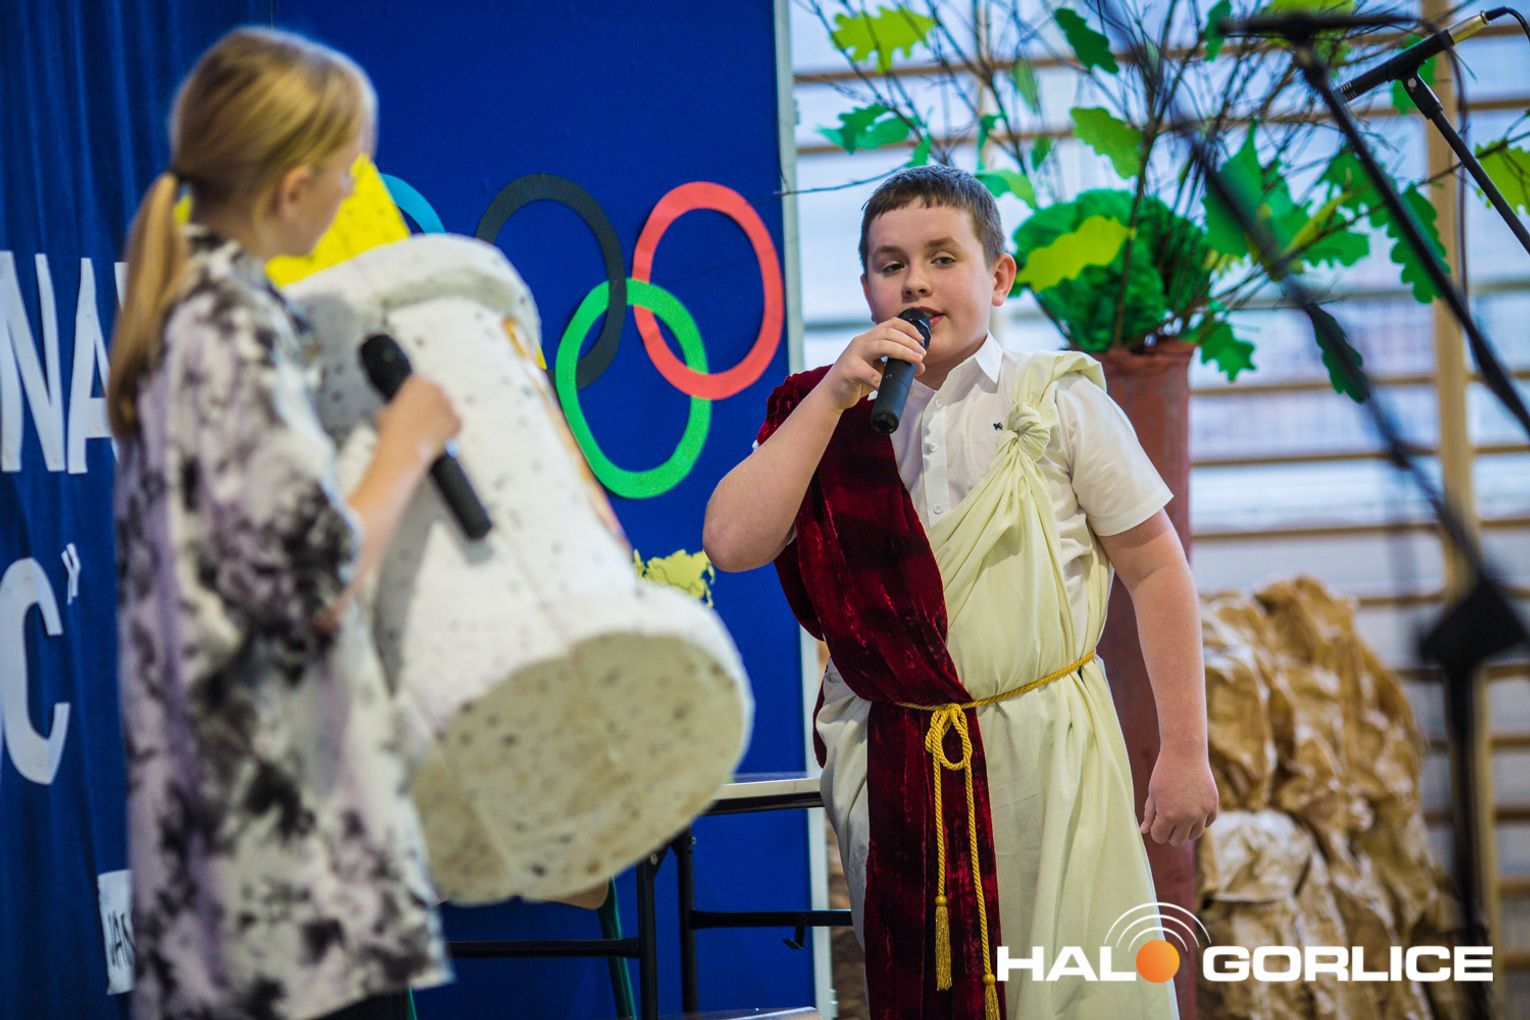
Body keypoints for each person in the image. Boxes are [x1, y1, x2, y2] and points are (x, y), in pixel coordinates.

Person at [704, 164, 1218, 1019]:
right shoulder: (826, 412)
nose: (916, 282)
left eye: (943, 258)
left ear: (999, 276)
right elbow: (731, 542)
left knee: (1082, 990)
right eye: (891, 264)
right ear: (865, 288)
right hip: (898, 761)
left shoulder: (1057, 401)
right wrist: (833, 396)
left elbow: (1156, 568)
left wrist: (1184, 750)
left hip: (1051, 754)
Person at [108, 27, 459, 1020]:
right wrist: (406, 444)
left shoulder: (194, 314)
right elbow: (316, 577)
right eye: (348, 170)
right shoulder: (231, 328)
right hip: (285, 866)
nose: (355, 192)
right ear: (293, 187)